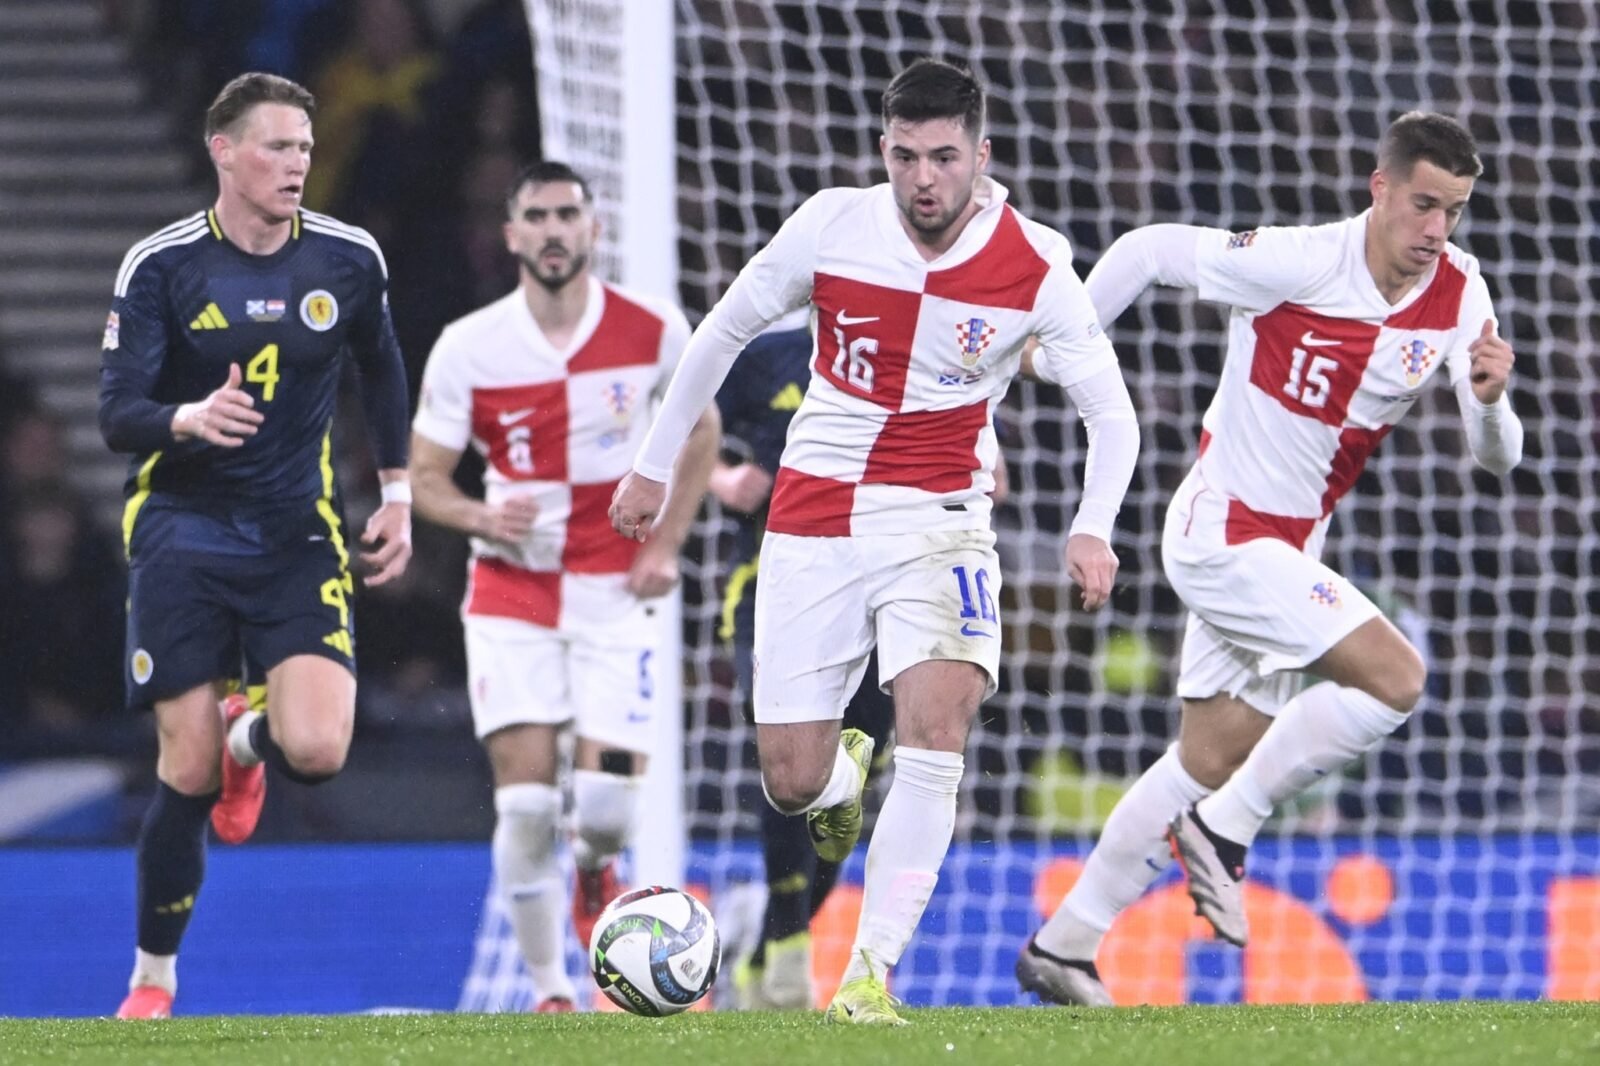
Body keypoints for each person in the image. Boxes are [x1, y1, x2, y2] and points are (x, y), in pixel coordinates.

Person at [611, 58, 1140, 1025]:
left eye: (945, 157)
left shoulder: (1034, 263)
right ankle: (846, 769)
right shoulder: (831, 226)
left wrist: (1091, 526)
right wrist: (652, 465)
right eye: (906, 156)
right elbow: (723, 330)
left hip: (939, 520)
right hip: (812, 513)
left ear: (982, 156)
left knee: (940, 738)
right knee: (791, 782)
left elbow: (1114, 415)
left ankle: (868, 977)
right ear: (882, 152)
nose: (924, 178)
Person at [1017, 111, 1523, 1006]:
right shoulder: (1296, 262)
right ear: (1381, 188)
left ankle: (1065, 944)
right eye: (1422, 205)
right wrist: (1062, 349)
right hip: (1222, 531)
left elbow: (1498, 457)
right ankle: (1229, 829)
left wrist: (1487, 402)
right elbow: (1144, 248)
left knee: (1205, 754)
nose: (1436, 229)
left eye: (1453, 210)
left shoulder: (1459, 293)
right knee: (1397, 680)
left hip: (1286, 547)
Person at [98, 72, 413, 1019]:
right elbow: (117, 415)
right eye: (276, 146)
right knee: (183, 773)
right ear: (223, 152)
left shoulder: (349, 259)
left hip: (295, 532)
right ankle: (153, 978)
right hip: (182, 529)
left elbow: (381, 364)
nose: (297, 164)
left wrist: (397, 492)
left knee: (316, 750)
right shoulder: (160, 267)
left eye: (305, 148)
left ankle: (252, 736)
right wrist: (189, 416)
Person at [408, 160, 719, 1013]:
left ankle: (595, 868)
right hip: (513, 597)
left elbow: (703, 430)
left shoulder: (654, 329)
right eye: (536, 216)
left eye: (567, 215)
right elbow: (425, 477)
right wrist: (478, 517)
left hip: (616, 589)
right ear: (511, 235)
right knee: (527, 805)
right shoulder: (469, 345)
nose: (553, 230)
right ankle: (550, 992)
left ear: (593, 230)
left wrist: (669, 540)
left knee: (611, 805)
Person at [711, 312, 897, 1011]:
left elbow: (982, 456)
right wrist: (725, 483)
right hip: (769, 583)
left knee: (845, 786)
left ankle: (765, 949)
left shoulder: (908, 347)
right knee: (789, 755)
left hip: (877, 589)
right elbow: (687, 435)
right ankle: (787, 942)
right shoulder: (766, 356)